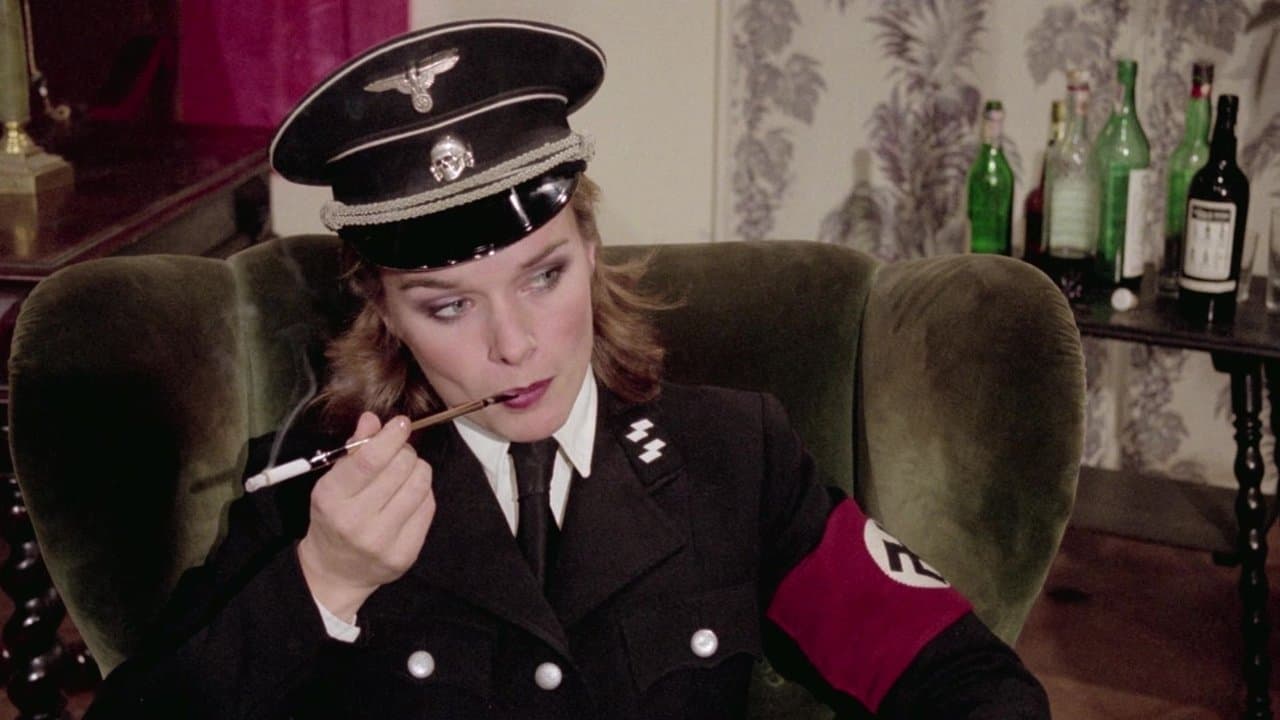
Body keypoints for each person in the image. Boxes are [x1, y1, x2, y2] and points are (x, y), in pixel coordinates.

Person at [84, 19, 1050, 719]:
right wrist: (322, 585)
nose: (514, 346)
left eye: (543, 276)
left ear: (590, 249)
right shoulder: (315, 492)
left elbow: (961, 677)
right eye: (448, 305)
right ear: (383, 308)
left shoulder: (736, 456)